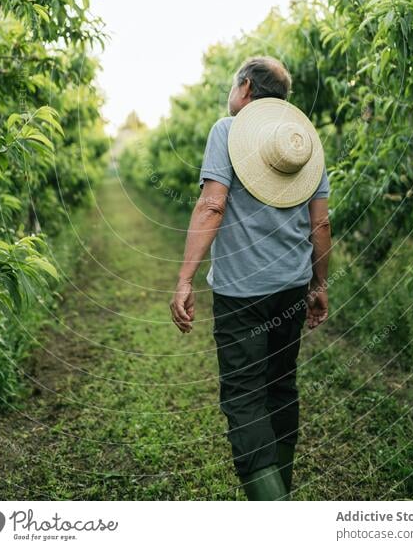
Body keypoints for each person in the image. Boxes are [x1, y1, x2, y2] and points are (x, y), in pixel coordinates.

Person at [169, 56, 332, 500]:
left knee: (244, 396)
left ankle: (272, 508)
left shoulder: (228, 131)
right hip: (293, 288)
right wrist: (319, 285)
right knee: (281, 386)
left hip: (242, 295)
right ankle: (281, 490)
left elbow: (211, 205)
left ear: (244, 88)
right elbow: (321, 225)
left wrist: (185, 278)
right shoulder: (306, 142)